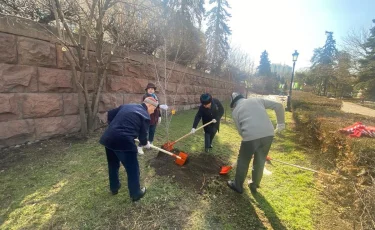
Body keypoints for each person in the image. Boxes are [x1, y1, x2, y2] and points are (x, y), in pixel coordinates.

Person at [99, 97, 158, 202]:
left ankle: (114, 188)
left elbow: (110, 114)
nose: (153, 112)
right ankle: (135, 193)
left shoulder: (127, 106)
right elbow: (143, 137)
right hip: (123, 142)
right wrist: (146, 144)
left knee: (113, 164)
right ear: (149, 105)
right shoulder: (145, 116)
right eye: (154, 109)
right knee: (133, 169)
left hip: (109, 138)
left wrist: (116, 128)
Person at [226, 92, 285, 194]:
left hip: (250, 136)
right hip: (268, 134)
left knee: (243, 161)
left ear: (234, 103)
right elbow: (279, 105)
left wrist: (249, 143)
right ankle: (254, 184)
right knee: (260, 160)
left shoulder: (235, 111)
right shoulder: (257, 100)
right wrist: (281, 123)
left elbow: (240, 131)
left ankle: (238, 185)